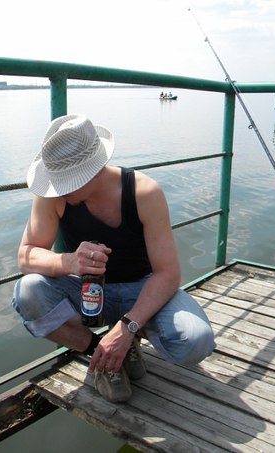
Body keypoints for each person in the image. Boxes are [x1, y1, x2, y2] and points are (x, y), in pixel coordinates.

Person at [12, 114, 215, 403]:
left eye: (66, 183)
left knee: (196, 341)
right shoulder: (52, 196)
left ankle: (125, 340)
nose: (58, 189)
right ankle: (101, 355)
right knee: (28, 292)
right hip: (87, 293)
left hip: (141, 289)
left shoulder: (144, 192)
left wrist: (128, 326)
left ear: (95, 171)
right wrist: (69, 262)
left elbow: (168, 274)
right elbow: (25, 255)